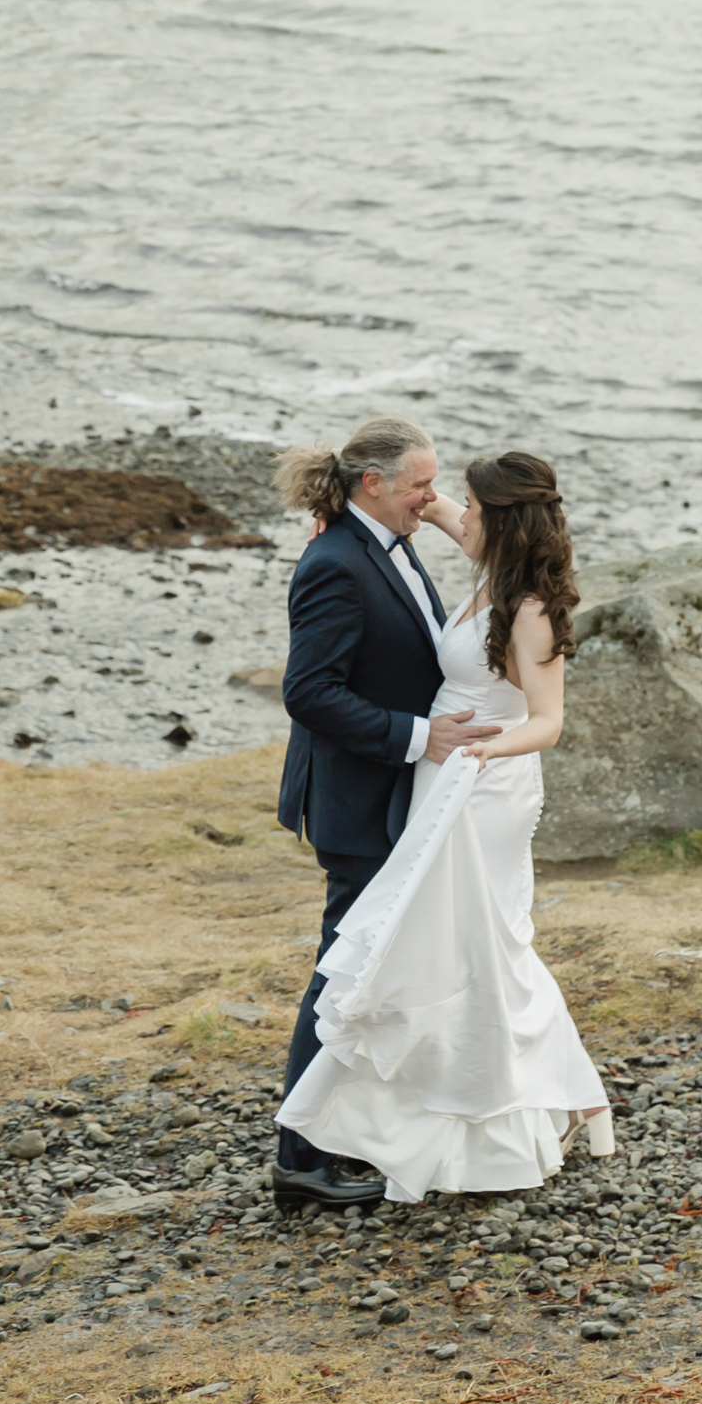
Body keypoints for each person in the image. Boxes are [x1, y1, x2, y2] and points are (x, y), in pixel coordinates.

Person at [276, 450, 613, 1204]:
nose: (448, 508)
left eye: (467, 502)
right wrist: (343, 511)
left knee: (481, 947)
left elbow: (549, 721)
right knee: (441, 947)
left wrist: (485, 750)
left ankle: (511, 1113)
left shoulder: (531, 607)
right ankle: (432, 1117)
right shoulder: (488, 556)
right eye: (436, 492)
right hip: (444, 776)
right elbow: (420, 509)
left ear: (502, 518)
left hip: (483, 786)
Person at [272, 416, 503, 1212]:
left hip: (395, 794)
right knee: (345, 970)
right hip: (356, 800)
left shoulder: (381, 537)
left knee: (370, 966)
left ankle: (346, 1132)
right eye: (419, 486)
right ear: (373, 484)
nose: (429, 497)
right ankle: (299, 1158)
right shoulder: (336, 562)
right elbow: (309, 692)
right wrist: (418, 736)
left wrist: (438, 515)